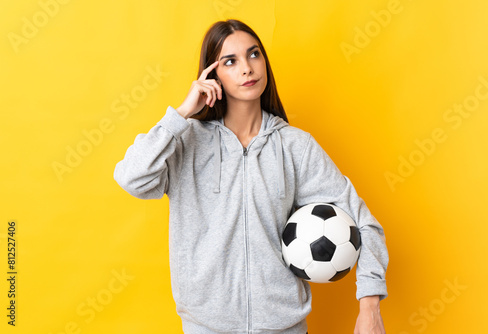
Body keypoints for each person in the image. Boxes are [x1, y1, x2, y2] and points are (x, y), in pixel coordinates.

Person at [114, 19, 388, 334]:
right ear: (211, 74)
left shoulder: (294, 146)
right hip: (205, 326)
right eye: (230, 61)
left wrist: (369, 306)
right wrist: (181, 114)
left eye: (254, 54)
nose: (247, 68)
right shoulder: (187, 139)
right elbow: (132, 178)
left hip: (283, 325)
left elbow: (364, 222)